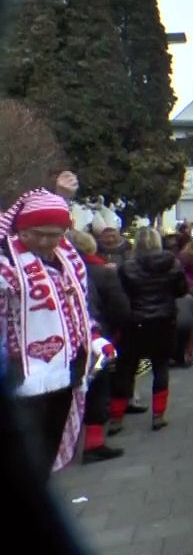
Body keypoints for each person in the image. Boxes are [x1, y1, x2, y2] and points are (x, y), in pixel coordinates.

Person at [0, 188, 95, 479]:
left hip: (66, 371)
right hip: (22, 375)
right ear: (20, 229)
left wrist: (94, 338)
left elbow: (82, 306)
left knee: (46, 452)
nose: (44, 241)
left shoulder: (69, 259)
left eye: (53, 234)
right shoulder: (7, 262)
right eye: (35, 233)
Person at [112, 227, 188, 432]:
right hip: (164, 320)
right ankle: (158, 415)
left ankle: (116, 418)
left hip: (134, 323)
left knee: (126, 369)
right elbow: (182, 290)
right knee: (160, 367)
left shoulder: (126, 267)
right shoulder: (172, 263)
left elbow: (120, 296)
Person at [65, 228, 127, 462]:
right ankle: (94, 443)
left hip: (67, 340)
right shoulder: (102, 272)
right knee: (98, 387)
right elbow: (119, 308)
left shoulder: (55, 270)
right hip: (96, 337)